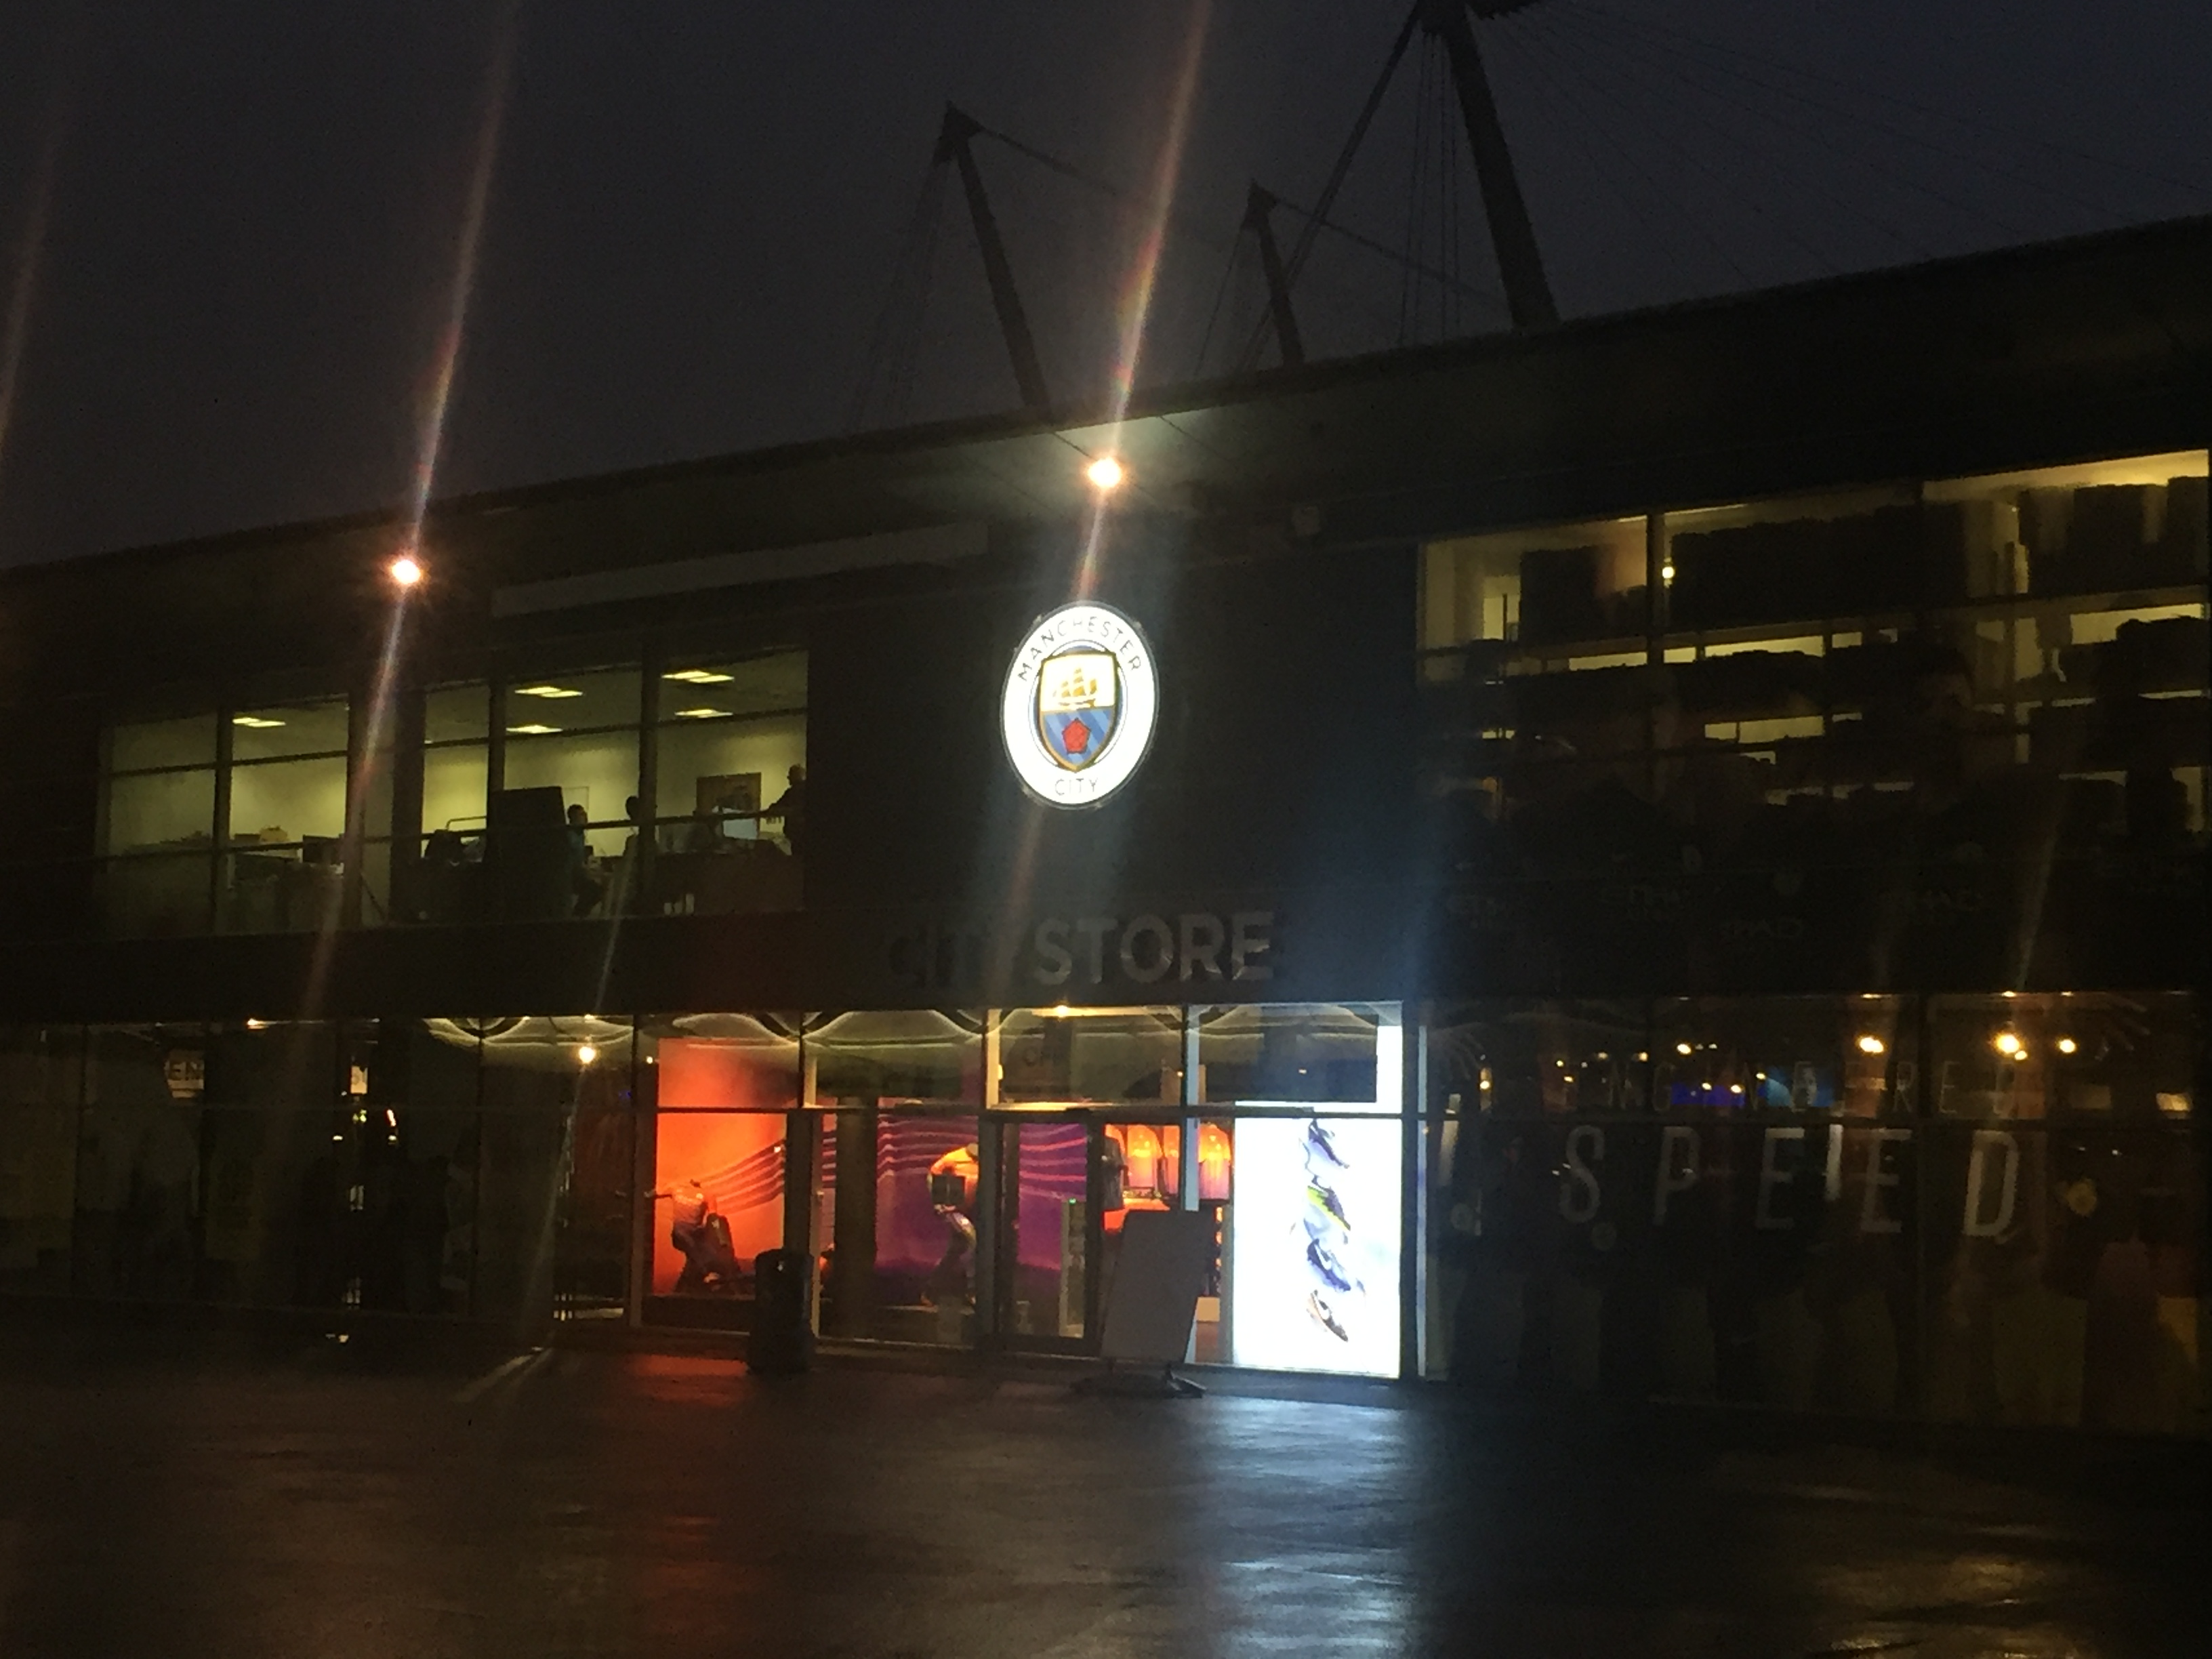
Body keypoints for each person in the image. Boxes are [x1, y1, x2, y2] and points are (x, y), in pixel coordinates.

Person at [565, 803, 605, 916]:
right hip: (570, 875)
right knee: (594, 889)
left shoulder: (580, 835)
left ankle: (579, 914)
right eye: (581, 815)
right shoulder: (570, 836)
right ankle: (578, 915)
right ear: (573, 818)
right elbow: (572, 859)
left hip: (576, 873)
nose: (586, 817)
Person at [762, 764, 807, 861]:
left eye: (790, 775)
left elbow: (778, 805)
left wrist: (772, 810)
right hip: (798, 834)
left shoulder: (793, 792)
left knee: (798, 860)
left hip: (798, 834)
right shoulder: (795, 791)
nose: (788, 778)